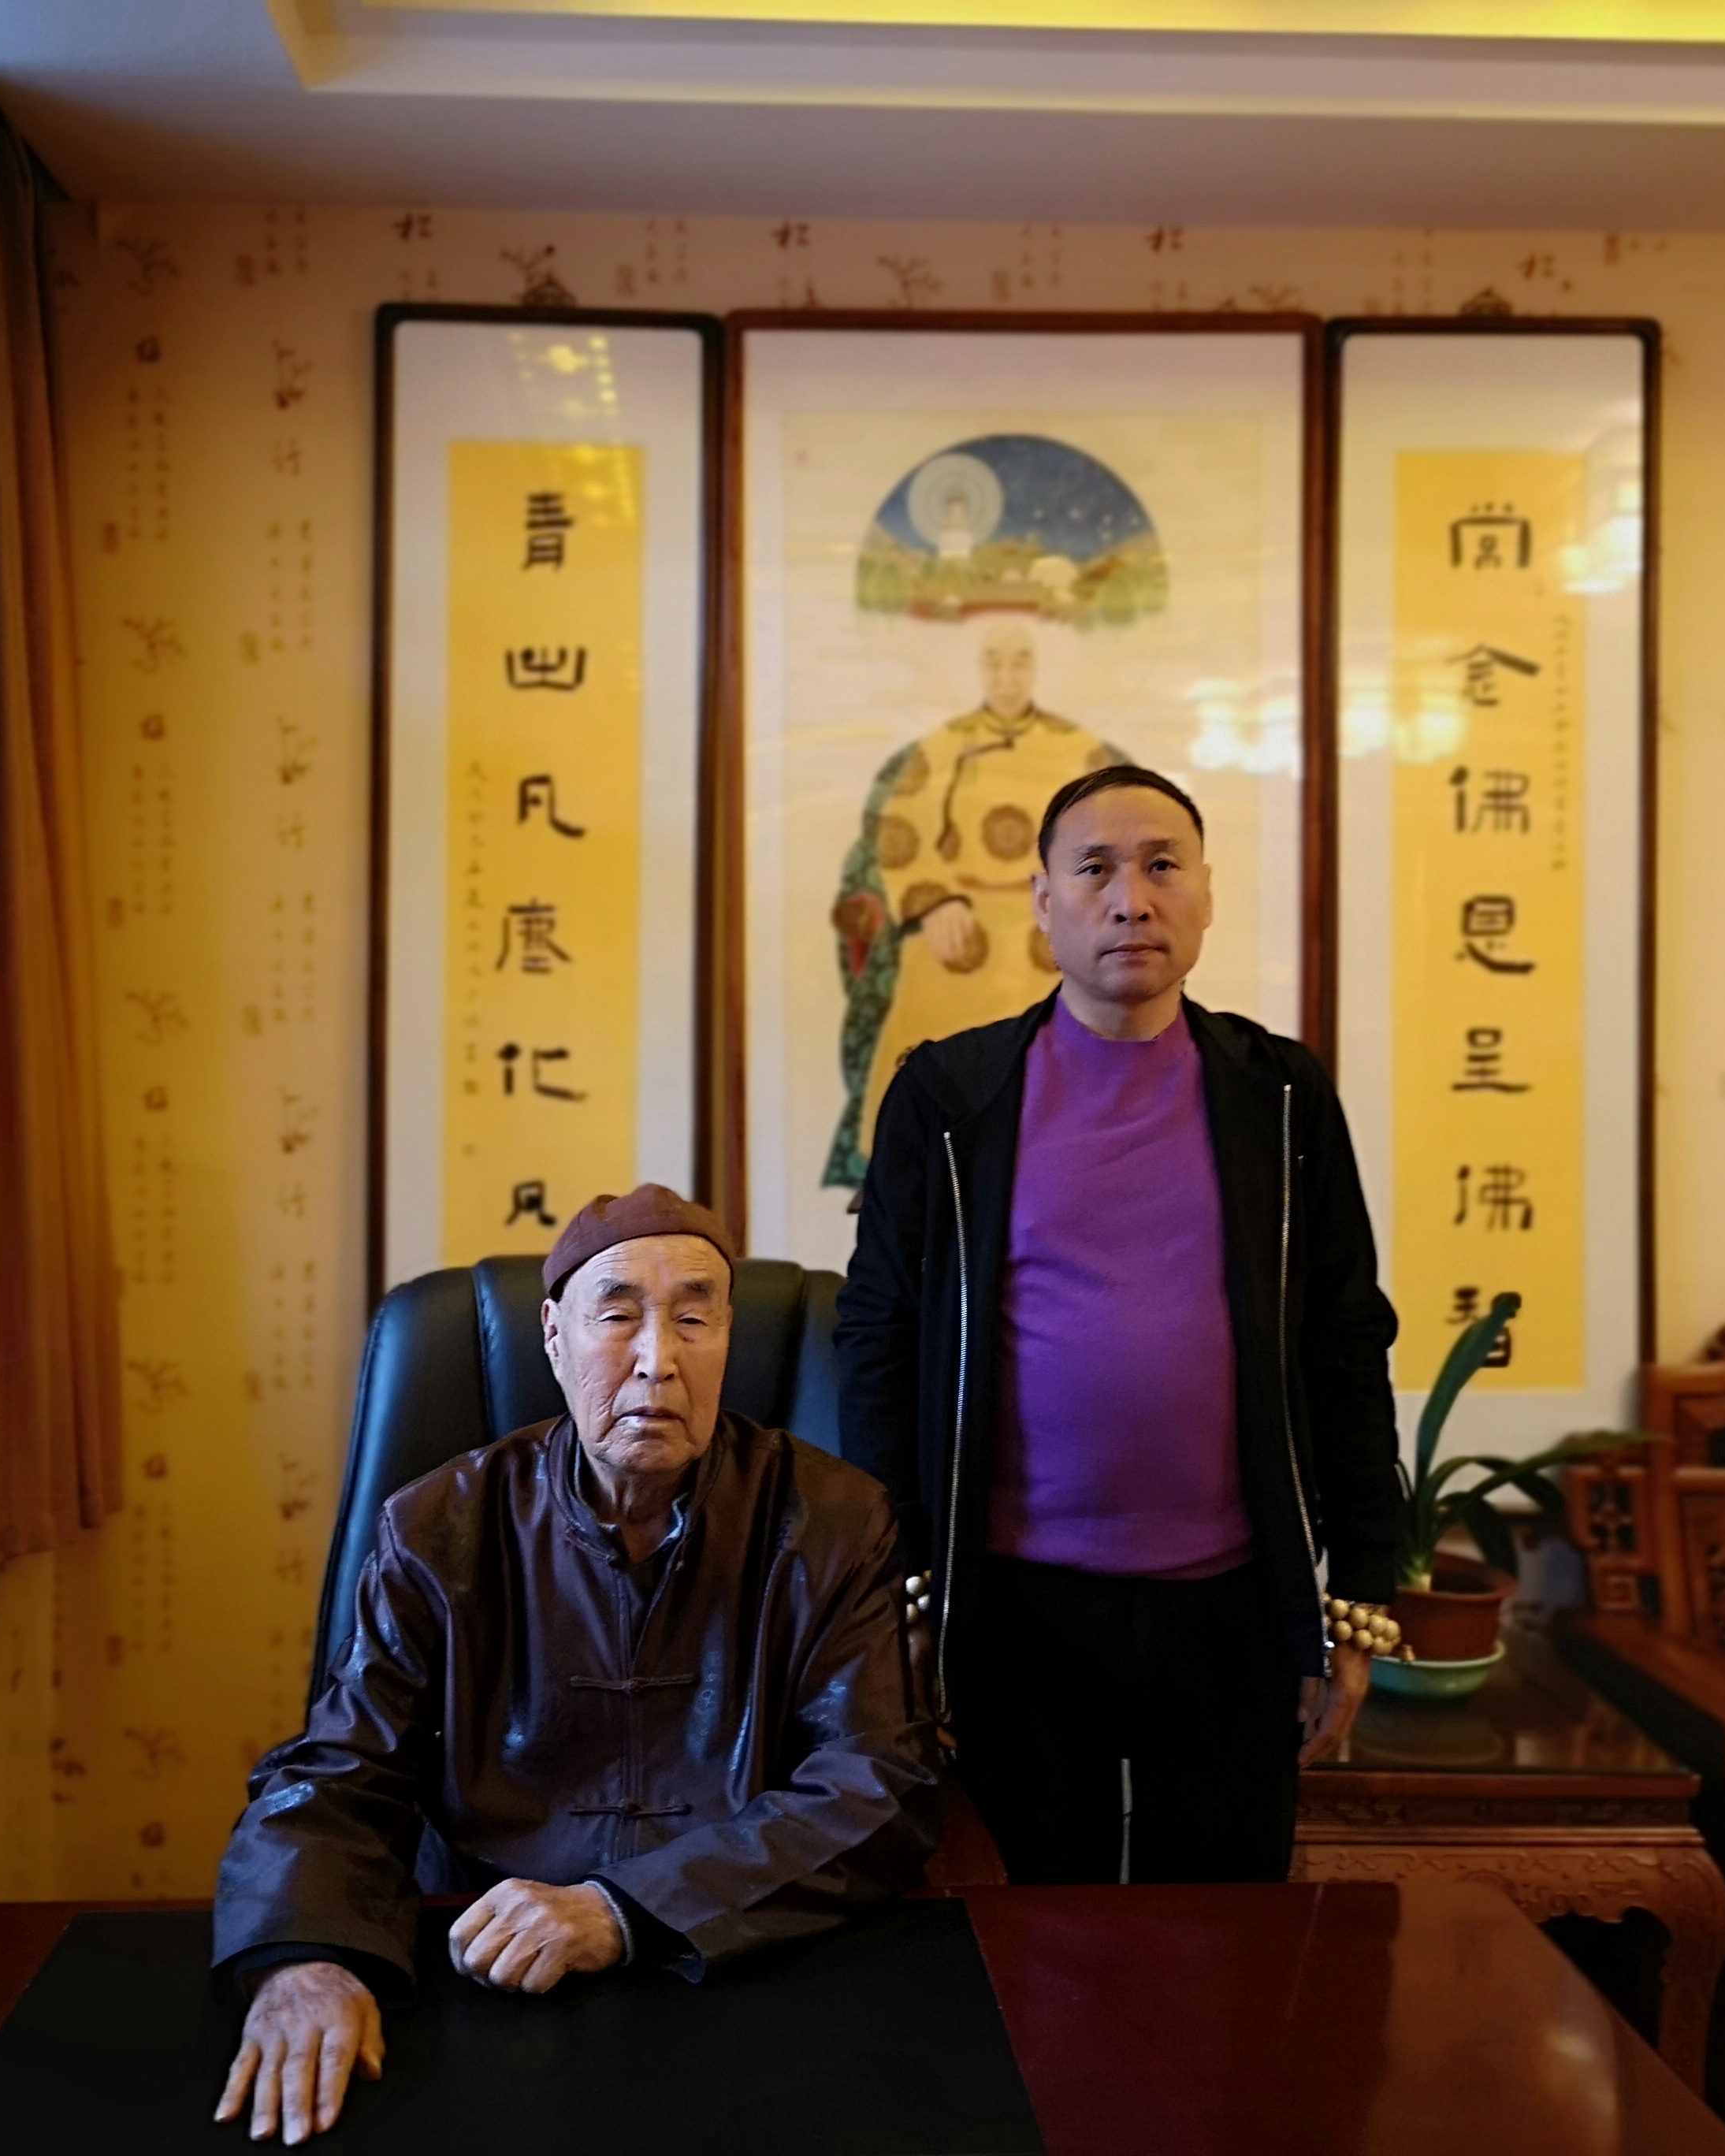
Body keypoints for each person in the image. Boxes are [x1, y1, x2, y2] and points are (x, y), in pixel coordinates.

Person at [213, 1186, 939, 2143]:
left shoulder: (832, 1519)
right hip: (485, 1953)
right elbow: (343, 1771)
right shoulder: (439, 1526)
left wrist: (623, 1911)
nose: (658, 1359)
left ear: (728, 1338)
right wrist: (306, 1960)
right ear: (554, 1338)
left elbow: (876, 1782)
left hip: (744, 1946)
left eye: (694, 1320)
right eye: (619, 1317)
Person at [835, 764, 1404, 1889]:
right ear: (1044, 903)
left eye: (1161, 866)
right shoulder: (951, 1098)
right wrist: (902, 1586)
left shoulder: (1281, 1095)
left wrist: (1359, 1597)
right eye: (1094, 870)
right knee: (1035, 1935)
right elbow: (879, 1339)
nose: (1131, 900)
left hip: (1235, 1603)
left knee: (1224, 1936)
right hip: (1016, 1607)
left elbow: (1346, 1339)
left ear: (1205, 895)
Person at [823, 617, 1125, 1188]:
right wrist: (936, 903)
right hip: (963, 921)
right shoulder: (942, 748)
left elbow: (1113, 843)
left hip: (1048, 925)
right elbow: (902, 833)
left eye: (1020, 661)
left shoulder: (1079, 751)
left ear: (1037, 669)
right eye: (993, 661)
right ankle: (908, 1171)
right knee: (928, 1008)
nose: (1006, 676)